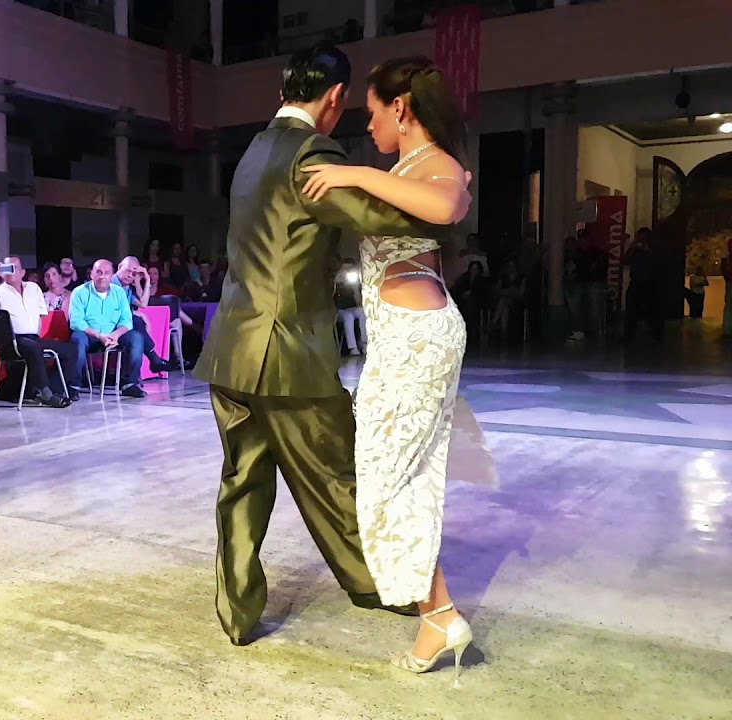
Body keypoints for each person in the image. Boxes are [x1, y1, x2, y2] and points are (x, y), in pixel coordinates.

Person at [193, 44, 436, 651]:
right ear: (335, 99)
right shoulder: (313, 154)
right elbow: (383, 216)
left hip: (230, 346)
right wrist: (441, 193)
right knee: (337, 470)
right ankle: (381, 583)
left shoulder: (251, 151)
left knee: (242, 482)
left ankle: (237, 613)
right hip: (288, 353)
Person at [300, 54, 475, 678]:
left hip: (416, 342)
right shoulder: (406, 167)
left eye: (373, 112)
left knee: (384, 479)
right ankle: (441, 616)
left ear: (400, 108)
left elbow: (447, 206)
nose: (367, 125)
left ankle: (440, 616)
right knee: (400, 479)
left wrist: (356, 175)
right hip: (405, 337)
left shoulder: (435, 167)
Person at [0, 257, 76, 407]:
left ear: (23, 272)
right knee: (33, 347)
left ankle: (52, 389)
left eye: (14, 267)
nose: (11, 270)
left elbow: (40, 315)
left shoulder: (33, 288)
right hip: (10, 340)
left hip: (32, 338)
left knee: (70, 350)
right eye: (7, 267)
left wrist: (36, 335)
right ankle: (46, 395)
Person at [68, 259, 147, 398]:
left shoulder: (119, 292)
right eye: (98, 272)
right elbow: (76, 322)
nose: (102, 276)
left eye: (106, 273)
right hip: (90, 334)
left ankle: (129, 384)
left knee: (137, 337)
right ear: (91, 274)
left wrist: (116, 335)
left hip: (113, 335)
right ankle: (74, 386)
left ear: (112, 275)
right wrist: (99, 336)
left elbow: (127, 321)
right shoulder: (79, 292)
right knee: (77, 338)